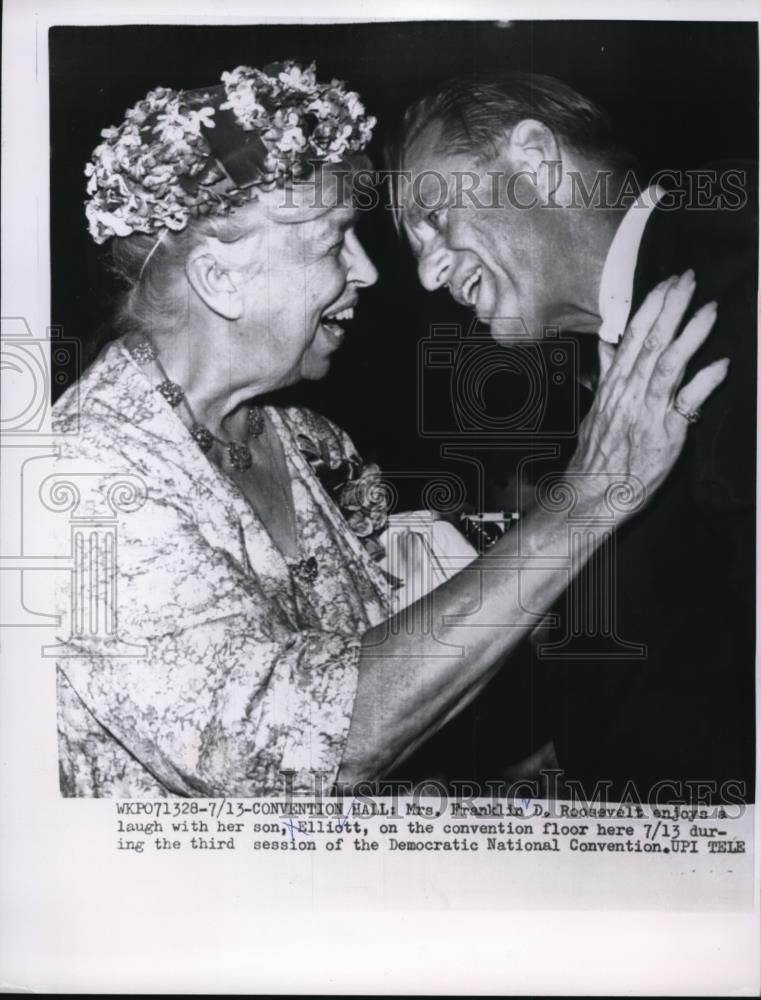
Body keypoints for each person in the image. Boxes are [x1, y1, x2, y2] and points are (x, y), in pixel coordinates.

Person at [53, 61, 726, 798]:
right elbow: (286, 754)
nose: (375, 272)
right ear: (221, 280)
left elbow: (415, 653)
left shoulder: (304, 442)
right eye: (333, 241)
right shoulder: (86, 476)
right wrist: (587, 499)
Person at [391, 72, 756, 801]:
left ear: (535, 157)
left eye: (432, 218)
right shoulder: (621, 343)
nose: (429, 274)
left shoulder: (740, 273)